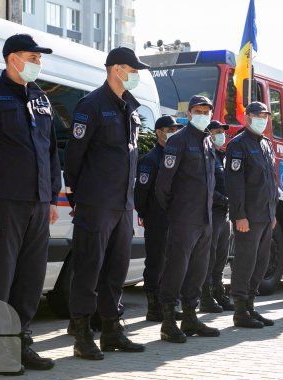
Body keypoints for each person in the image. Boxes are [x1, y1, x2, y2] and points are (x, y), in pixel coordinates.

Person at [0, 34, 60, 375]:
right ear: (12, 59)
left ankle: (22, 342)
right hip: (2, 205)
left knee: (30, 279)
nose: (37, 63)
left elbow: (50, 151)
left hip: (36, 204)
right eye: (32, 57)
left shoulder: (40, 99)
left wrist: (51, 196)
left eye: (39, 58)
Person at [64, 47, 148, 360]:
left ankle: (112, 329)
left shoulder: (130, 107)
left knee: (116, 270)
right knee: (88, 268)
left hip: (123, 205)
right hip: (96, 202)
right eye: (132, 69)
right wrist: (77, 197)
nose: (136, 74)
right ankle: (82, 333)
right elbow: (74, 157)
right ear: (115, 69)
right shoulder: (92, 105)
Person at [155, 95, 220, 342]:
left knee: (198, 270)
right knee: (176, 269)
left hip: (205, 218)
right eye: (199, 110)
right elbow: (164, 183)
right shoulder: (178, 140)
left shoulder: (207, 142)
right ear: (190, 113)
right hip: (183, 218)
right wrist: (175, 210)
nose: (204, 114)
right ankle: (169, 321)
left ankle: (191, 317)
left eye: (207, 110)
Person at [225, 101, 278, 328]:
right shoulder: (238, 145)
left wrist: (273, 212)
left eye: (265, 115)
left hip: (266, 216)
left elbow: (271, 182)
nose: (262, 119)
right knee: (245, 262)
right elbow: (234, 183)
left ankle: (250, 306)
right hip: (248, 216)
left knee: (261, 262)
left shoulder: (266, 144)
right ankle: (239, 310)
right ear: (247, 117)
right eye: (257, 115)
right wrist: (239, 215)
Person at [134, 115, 183, 321]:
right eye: (169, 129)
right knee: (156, 263)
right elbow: (141, 191)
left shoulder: (176, 155)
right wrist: (144, 214)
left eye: (175, 129)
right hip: (156, 219)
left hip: (175, 219)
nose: (173, 133)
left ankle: (167, 304)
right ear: (159, 132)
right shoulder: (150, 160)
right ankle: (154, 307)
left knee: (171, 263)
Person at [200, 119, 233, 313]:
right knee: (209, 257)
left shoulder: (223, 156)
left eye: (223, 132)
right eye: (217, 131)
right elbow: (207, 188)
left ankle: (218, 292)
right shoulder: (206, 156)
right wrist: (225, 200)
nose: (221, 135)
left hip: (225, 215)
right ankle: (205, 297)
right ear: (209, 134)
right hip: (212, 214)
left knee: (221, 257)